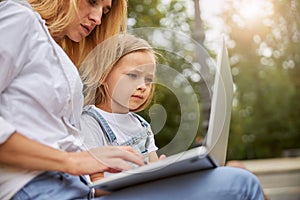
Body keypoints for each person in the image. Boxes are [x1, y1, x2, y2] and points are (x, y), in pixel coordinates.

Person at [0, 0, 265, 199]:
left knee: (236, 179)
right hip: (38, 189)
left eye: (104, 11)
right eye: (92, 1)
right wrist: (73, 161)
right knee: (239, 185)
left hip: (76, 190)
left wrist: (155, 171)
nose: (96, 18)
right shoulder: (18, 17)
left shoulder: (56, 50)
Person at [80, 34, 162, 183]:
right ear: (103, 75)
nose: (143, 86)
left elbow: (154, 169)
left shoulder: (142, 125)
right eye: (132, 75)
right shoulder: (89, 122)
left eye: (148, 80)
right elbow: (96, 184)